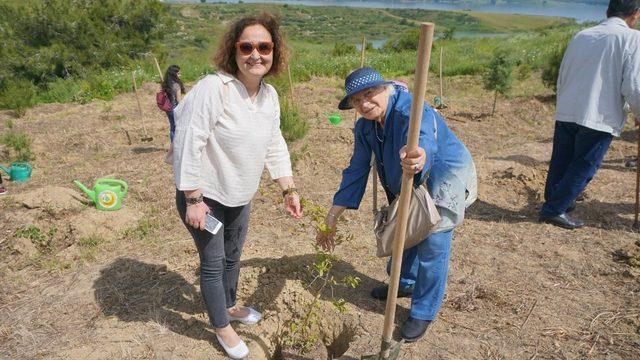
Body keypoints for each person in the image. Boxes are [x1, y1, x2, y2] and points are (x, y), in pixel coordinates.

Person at [171, 14, 302, 359]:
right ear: (234, 50)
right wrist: (193, 199)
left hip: (240, 194)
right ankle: (222, 327)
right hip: (205, 195)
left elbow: (274, 142)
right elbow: (189, 139)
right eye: (247, 46)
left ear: (274, 52)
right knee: (214, 262)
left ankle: (228, 306)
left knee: (233, 257)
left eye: (264, 46)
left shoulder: (268, 95)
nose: (255, 54)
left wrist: (288, 188)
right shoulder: (216, 88)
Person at [316, 67, 477, 342]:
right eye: (356, 100)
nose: (364, 104)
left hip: (442, 177)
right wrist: (333, 214)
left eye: (369, 94)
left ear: (386, 89)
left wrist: (420, 156)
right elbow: (357, 169)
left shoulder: (412, 112)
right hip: (404, 182)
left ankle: (423, 312)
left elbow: (424, 139)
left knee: (432, 244)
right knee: (405, 238)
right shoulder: (365, 126)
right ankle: (406, 284)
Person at [539, 0, 640, 229]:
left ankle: (556, 201)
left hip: (569, 107)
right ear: (635, 14)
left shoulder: (583, 34)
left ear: (607, 12)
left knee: (561, 160)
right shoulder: (632, 38)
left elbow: (563, 72)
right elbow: (633, 85)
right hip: (599, 113)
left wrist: (562, 101)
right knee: (584, 164)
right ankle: (554, 209)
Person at [162, 65, 185, 142]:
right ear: (174, 74)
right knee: (178, 127)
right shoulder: (176, 85)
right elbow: (179, 100)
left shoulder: (166, 84)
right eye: (178, 73)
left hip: (168, 108)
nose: (180, 75)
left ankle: (173, 144)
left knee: (172, 127)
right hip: (175, 109)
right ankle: (176, 145)